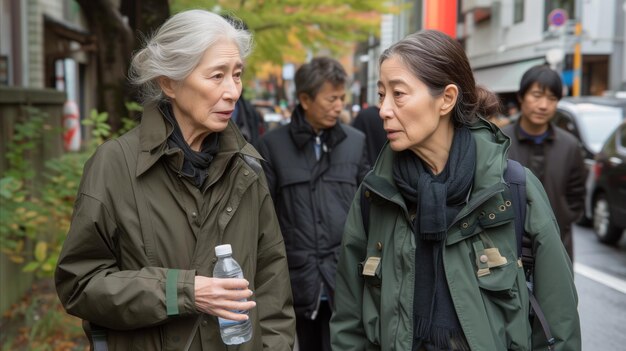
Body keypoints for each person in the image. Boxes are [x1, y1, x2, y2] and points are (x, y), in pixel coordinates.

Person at [54, 10, 295, 351]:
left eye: (237, 75)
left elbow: (273, 289)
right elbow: (79, 285)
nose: (232, 91)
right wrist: (183, 291)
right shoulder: (115, 165)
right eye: (216, 76)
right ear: (169, 82)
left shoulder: (247, 168)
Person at [330, 30, 581, 351]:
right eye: (382, 95)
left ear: (447, 98)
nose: (384, 110)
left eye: (399, 94)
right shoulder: (375, 193)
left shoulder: (514, 188)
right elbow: (348, 320)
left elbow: (559, 324)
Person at [256, 57, 370, 351]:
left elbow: (369, 210)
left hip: (345, 276)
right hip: (298, 277)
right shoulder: (272, 146)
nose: (339, 106)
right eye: (331, 99)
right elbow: (264, 218)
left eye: (342, 98)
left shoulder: (356, 142)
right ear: (305, 99)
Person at [502, 65, 587, 261]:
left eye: (552, 98)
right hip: (506, 247)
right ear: (521, 96)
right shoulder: (500, 141)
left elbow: (577, 196)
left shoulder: (570, 146)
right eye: (537, 95)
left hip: (556, 244)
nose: (543, 105)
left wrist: (561, 219)